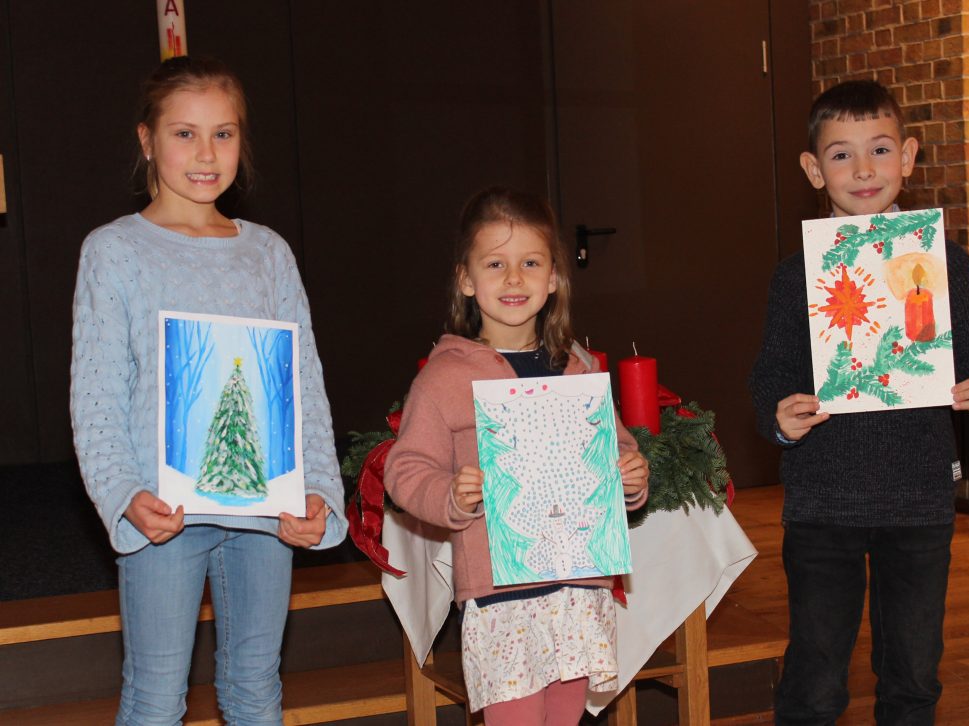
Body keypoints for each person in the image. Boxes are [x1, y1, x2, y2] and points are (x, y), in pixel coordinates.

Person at [70, 56, 346, 725]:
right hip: (163, 515)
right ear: (147, 140)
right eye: (184, 133)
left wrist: (318, 489)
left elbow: (303, 384)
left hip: (265, 515)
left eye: (223, 133)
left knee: (256, 688)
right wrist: (123, 493)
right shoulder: (114, 251)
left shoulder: (269, 253)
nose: (205, 153)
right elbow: (97, 395)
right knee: (155, 696)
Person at [749, 79, 969, 725]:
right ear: (814, 169)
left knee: (914, 674)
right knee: (815, 679)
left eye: (880, 149)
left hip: (919, 497)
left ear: (909, 157)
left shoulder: (945, 261)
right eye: (841, 154)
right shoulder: (795, 275)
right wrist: (779, 418)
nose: (864, 169)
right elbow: (772, 372)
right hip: (822, 502)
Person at [383, 187, 649, 725]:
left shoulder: (577, 367)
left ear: (553, 278)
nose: (513, 279)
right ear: (466, 279)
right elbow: (405, 469)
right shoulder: (445, 376)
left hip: (579, 585)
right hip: (501, 593)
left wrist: (629, 477)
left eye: (530, 263)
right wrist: (451, 496)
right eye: (495, 264)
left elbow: (615, 448)